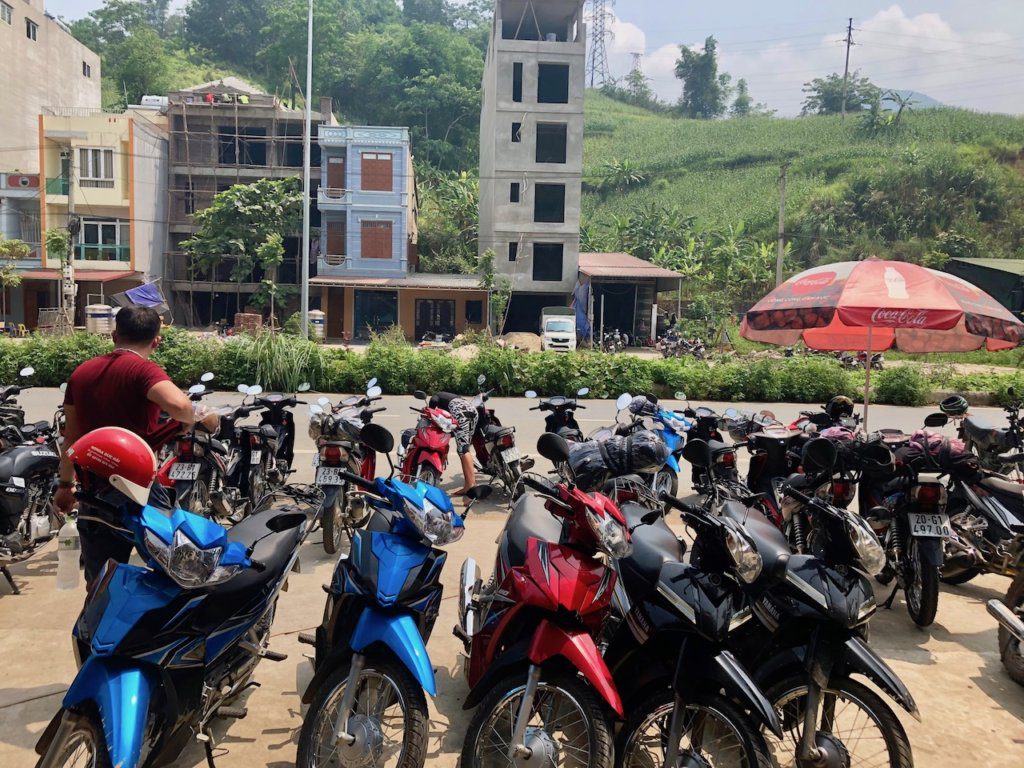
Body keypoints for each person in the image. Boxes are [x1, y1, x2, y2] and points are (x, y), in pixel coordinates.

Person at [53, 306, 220, 585]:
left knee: (101, 582)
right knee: (177, 573)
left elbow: (72, 438)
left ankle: (99, 627)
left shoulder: (81, 373)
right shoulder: (144, 371)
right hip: (138, 490)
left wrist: (65, 484)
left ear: (114, 335)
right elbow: (180, 406)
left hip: (93, 491)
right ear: (156, 340)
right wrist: (196, 416)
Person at [428, 391, 478, 496]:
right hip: (472, 410)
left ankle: (471, 487)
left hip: (460, 413)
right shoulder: (452, 397)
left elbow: (433, 401)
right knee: (464, 448)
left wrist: (430, 411)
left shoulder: (437, 396)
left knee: (463, 450)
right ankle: (468, 484)